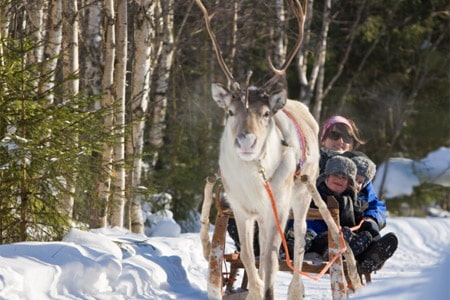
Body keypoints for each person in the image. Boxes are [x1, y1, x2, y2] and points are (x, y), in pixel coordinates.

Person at [305, 156, 374, 259]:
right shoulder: (314, 194)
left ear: (349, 183)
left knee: (364, 236)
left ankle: (368, 256)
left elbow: (354, 223)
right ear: (327, 176)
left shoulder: (350, 201)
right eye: (336, 175)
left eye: (344, 178)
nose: (339, 180)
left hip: (340, 237)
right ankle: (332, 252)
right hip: (313, 237)